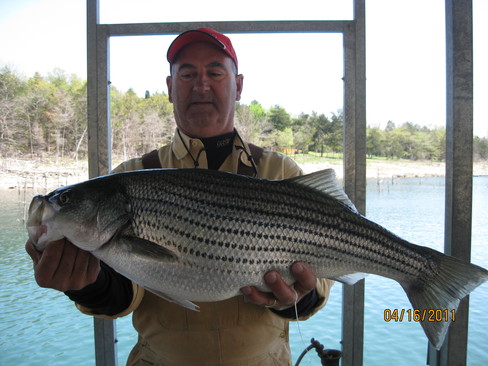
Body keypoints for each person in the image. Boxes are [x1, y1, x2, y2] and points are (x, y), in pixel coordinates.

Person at [25, 28, 334, 366]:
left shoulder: (281, 171)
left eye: (214, 72)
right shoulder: (130, 176)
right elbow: (126, 294)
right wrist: (87, 284)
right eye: (187, 74)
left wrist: (300, 296)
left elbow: (319, 284)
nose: (201, 84)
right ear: (171, 88)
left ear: (239, 85)